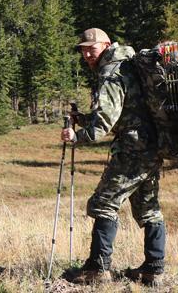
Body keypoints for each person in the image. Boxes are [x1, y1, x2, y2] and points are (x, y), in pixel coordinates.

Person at [61, 28, 165, 285]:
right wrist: (84, 118)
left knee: (104, 203)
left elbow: (104, 122)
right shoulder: (129, 64)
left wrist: (78, 136)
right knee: (149, 210)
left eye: (91, 48)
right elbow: (125, 113)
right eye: (83, 49)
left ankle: (97, 269)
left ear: (106, 45)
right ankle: (154, 269)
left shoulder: (111, 72)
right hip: (152, 147)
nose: (86, 54)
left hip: (132, 150)